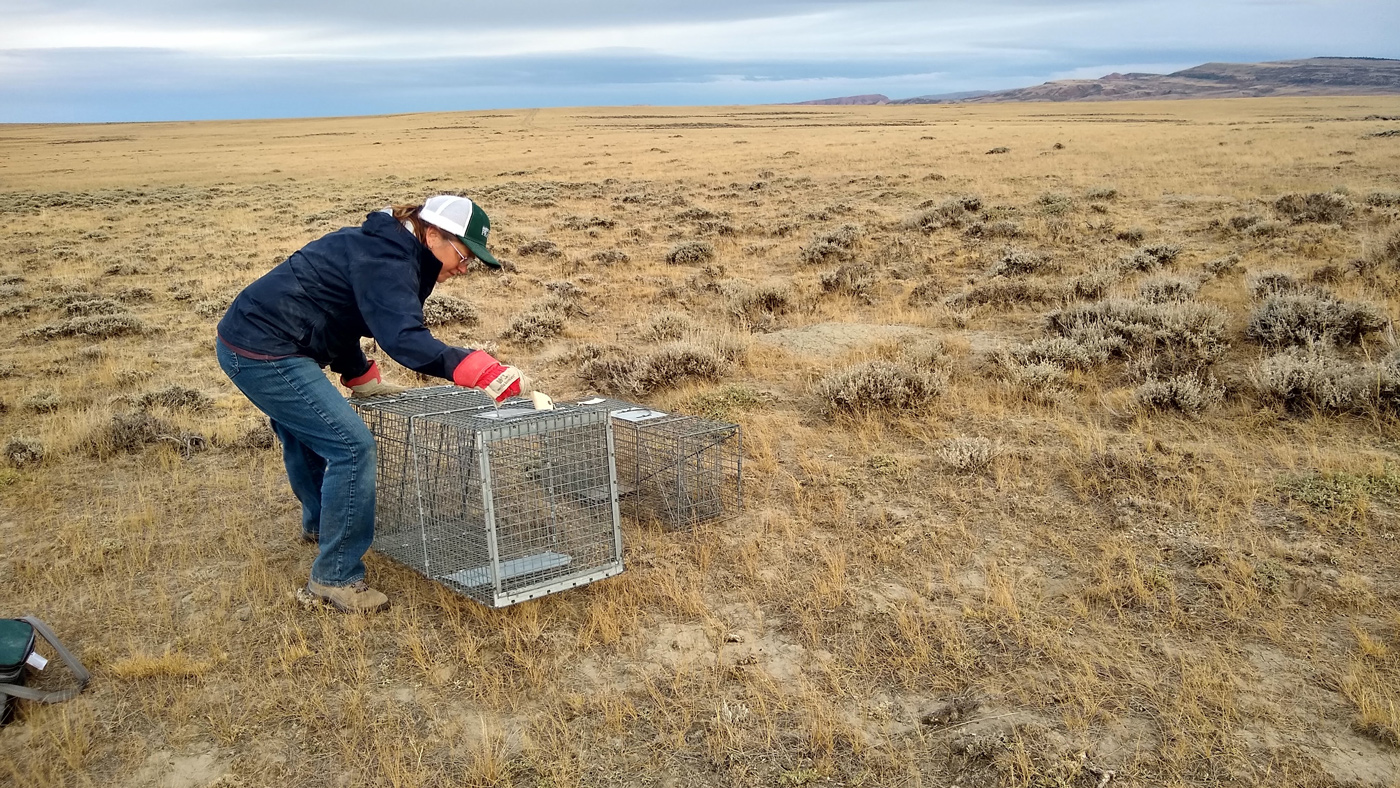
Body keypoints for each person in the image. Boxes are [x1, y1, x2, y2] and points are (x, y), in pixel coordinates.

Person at [216, 195, 531, 613]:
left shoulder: (392, 249)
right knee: (350, 446)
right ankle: (335, 577)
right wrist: (476, 368)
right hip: (261, 349)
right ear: (432, 233)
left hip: (271, 339)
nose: (464, 266)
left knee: (305, 432)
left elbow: (338, 310)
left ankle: (320, 523)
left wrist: (357, 372)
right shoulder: (387, 258)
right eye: (464, 253)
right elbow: (402, 338)